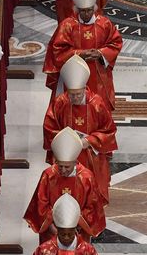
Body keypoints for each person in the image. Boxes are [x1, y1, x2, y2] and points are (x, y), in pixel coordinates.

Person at [43, 54, 116, 204]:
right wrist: (66, 140)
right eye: (71, 94)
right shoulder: (60, 102)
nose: (74, 98)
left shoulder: (97, 104)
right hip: (66, 155)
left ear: (84, 88)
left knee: (90, 190)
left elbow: (109, 130)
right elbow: (49, 127)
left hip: (90, 153)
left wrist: (89, 140)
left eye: (78, 94)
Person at [45, 0, 122, 107]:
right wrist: (80, 54)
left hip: (98, 72)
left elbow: (115, 43)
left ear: (94, 8)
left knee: (98, 107)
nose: (86, 14)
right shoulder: (68, 25)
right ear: (77, 9)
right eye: (83, 11)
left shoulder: (104, 24)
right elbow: (58, 50)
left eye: (89, 10)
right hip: (74, 73)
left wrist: (101, 53)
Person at [24, 127, 105, 240]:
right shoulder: (48, 175)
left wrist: (73, 225)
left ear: (75, 162)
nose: (62, 170)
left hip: (78, 230)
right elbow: (40, 203)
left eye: (67, 166)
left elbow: (92, 206)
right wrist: (51, 226)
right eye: (59, 165)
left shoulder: (86, 177)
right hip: (51, 231)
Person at [29, 194, 103, 255]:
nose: (66, 238)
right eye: (63, 234)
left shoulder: (88, 251)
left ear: (75, 231)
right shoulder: (43, 251)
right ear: (57, 231)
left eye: (70, 234)